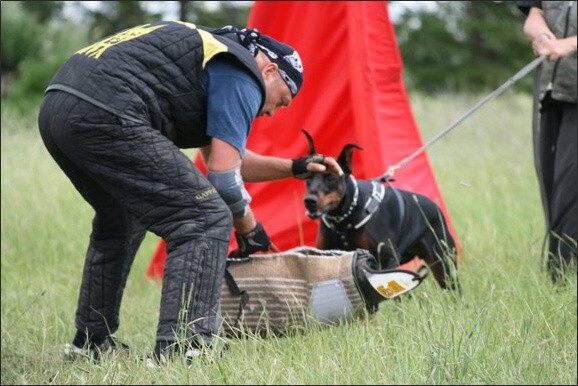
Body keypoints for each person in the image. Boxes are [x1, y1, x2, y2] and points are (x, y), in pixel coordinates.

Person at [37, 21, 343, 363]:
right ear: (269, 70)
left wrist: (294, 167)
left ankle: (89, 343)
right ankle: (184, 347)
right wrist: (249, 227)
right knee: (205, 215)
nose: (271, 112)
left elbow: (225, 159)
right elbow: (224, 181)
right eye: (281, 101)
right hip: (106, 109)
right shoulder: (242, 73)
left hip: (59, 106)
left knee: (121, 218)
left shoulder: (215, 55)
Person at [517, 1, 577, 283]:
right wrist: (542, 36)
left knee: (570, 193)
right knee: (552, 191)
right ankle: (559, 282)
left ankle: (563, 279)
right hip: (553, 93)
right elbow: (534, 14)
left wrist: (568, 45)